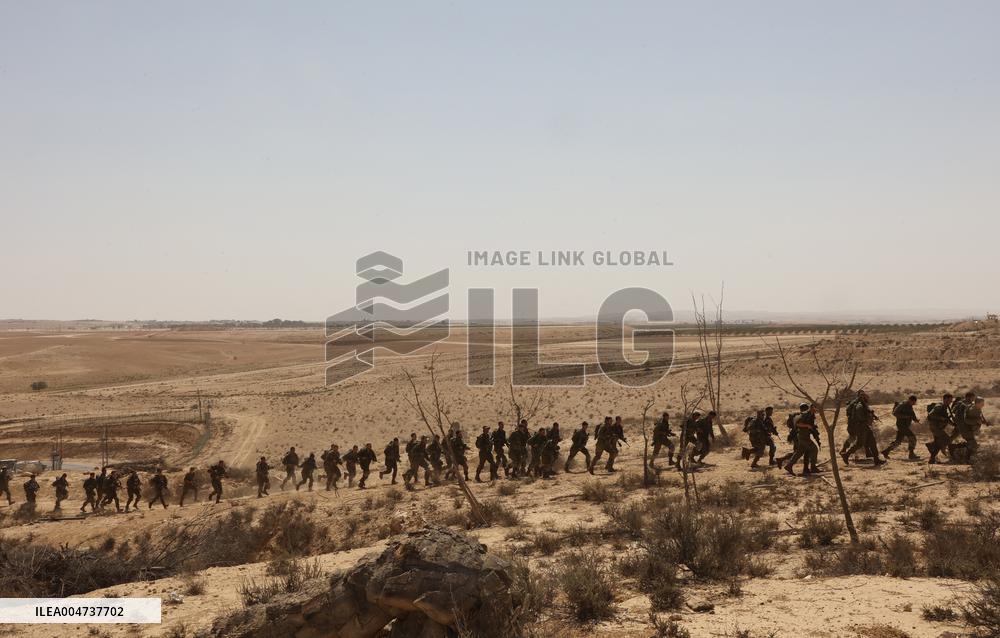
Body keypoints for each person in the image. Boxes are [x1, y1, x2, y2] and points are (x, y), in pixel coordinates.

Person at [841, 391, 883, 466]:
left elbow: (867, 412)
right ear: (863, 398)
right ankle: (846, 455)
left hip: (865, 426)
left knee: (872, 441)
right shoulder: (859, 406)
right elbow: (860, 416)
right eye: (866, 398)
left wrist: (872, 415)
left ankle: (876, 459)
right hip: (861, 427)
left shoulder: (863, 405)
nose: (868, 399)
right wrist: (869, 417)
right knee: (859, 443)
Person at [785, 404, 820, 476]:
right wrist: (807, 426)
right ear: (812, 407)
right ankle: (813, 467)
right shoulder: (805, 414)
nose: (816, 410)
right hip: (803, 436)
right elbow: (798, 424)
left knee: (799, 452)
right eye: (815, 408)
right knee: (814, 449)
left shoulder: (811, 414)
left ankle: (789, 466)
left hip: (804, 436)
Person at [952, 395, 989, 462]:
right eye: (982, 403)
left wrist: (984, 422)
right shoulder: (973, 410)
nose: (983, 405)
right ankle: (960, 453)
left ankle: (960, 452)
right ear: (977, 403)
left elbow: (979, 418)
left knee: (972, 444)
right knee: (973, 445)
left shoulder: (977, 408)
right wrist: (976, 421)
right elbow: (966, 420)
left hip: (968, 430)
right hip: (966, 430)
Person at [883, 395, 920, 460]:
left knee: (898, 441)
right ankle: (911, 454)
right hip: (901, 425)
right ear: (910, 400)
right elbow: (895, 413)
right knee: (912, 438)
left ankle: (886, 451)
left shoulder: (910, 406)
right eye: (913, 402)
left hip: (905, 426)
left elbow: (912, 414)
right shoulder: (902, 405)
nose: (914, 404)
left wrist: (915, 419)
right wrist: (906, 416)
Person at [926, 394, 955, 464]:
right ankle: (932, 457)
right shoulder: (939, 406)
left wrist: (953, 424)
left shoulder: (945, 407)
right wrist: (941, 418)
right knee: (946, 440)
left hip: (938, 427)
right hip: (935, 427)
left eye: (951, 401)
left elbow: (946, 419)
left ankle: (931, 454)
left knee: (938, 443)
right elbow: (931, 414)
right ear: (945, 399)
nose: (950, 402)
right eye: (949, 400)